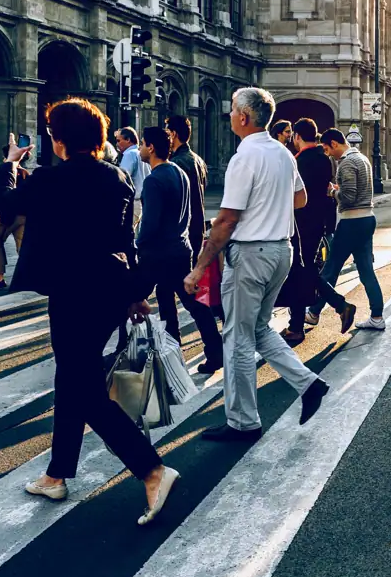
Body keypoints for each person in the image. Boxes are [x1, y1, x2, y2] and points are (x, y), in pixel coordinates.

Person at [0, 100, 179, 526]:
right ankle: (57, 473)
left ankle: (151, 469)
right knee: (73, 377)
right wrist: (134, 293)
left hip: (73, 293)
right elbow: (125, 238)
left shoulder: (50, 180)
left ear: (59, 140)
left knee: (85, 389)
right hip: (111, 290)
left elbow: (3, 200)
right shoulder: (117, 177)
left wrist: (9, 162)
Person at [183, 87, 330, 439]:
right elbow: (301, 199)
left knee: (236, 339)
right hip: (281, 251)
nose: (230, 114)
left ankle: (243, 421)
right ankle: (308, 384)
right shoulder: (283, 153)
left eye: (233, 110)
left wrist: (200, 266)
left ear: (244, 117)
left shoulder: (244, 157)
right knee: (260, 329)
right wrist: (270, 209)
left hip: (251, 254)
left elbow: (227, 220)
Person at [136, 126, 224, 371]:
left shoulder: (154, 179)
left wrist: (138, 245)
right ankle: (212, 351)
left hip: (156, 253)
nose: (140, 148)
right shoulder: (178, 172)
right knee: (190, 302)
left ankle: (131, 353)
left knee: (131, 298)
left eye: (142, 144)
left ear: (151, 147)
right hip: (180, 247)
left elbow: (150, 223)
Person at [282, 118, 356, 344]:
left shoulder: (298, 161)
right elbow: (325, 194)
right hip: (318, 224)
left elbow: (294, 195)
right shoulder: (325, 160)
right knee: (303, 271)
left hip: (300, 224)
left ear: (296, 136)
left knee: (300, 271)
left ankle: (335, 307)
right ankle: (300, 324)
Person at [158, 115, 222, 370]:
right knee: (170, 294)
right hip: (192, 234)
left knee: (188, 297)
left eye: (167, 131)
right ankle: (175, 350)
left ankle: (204, 350)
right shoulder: (197, 160)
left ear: (173, 133)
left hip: (178, 238)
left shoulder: (177, 163)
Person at [311, 128, 385, 330]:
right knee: (366, 270)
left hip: (351, 221)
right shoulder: (362, 158)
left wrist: (334, 192)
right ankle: (377, 316)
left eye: (327, 148)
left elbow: (349, 197)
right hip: (366, 219)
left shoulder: (347, 163)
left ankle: (313, 312)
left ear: (335, 143)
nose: (327, 153)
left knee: (331, 268)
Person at [0, 144, 28, 290]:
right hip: (22, 217)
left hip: (5, 217)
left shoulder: (5, 172)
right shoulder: (25, 173)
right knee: (22, 247)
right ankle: (26, 278)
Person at [115, 127, 149, 228]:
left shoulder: (129, 154)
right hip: (144, 202)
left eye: (118, 140)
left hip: (134, 203)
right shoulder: (142, 154)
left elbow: (123, 179)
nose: (117, 144)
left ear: (128, 140)